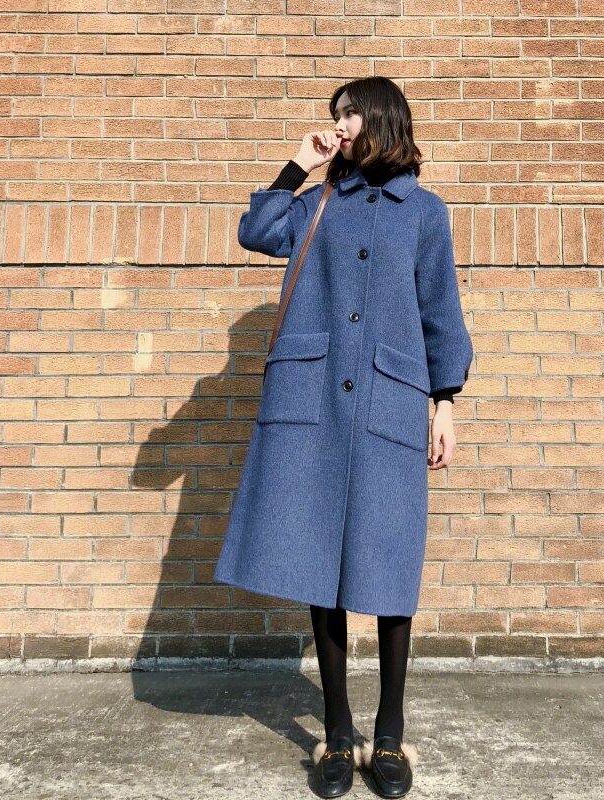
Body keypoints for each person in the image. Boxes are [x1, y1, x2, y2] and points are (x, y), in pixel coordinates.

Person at [214, 76, 473, 798]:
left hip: (392, 401)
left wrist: (444, 403)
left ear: (381, 117)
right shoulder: (317, 203)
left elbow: (441, 311)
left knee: (390, 565)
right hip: (318, 402)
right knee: (320, 567)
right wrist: (300, 162)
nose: (341, 123)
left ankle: (388, 734)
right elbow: (257, 230)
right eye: (336, 115)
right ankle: (336, 732)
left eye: (350, 112)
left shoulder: (425, 213)